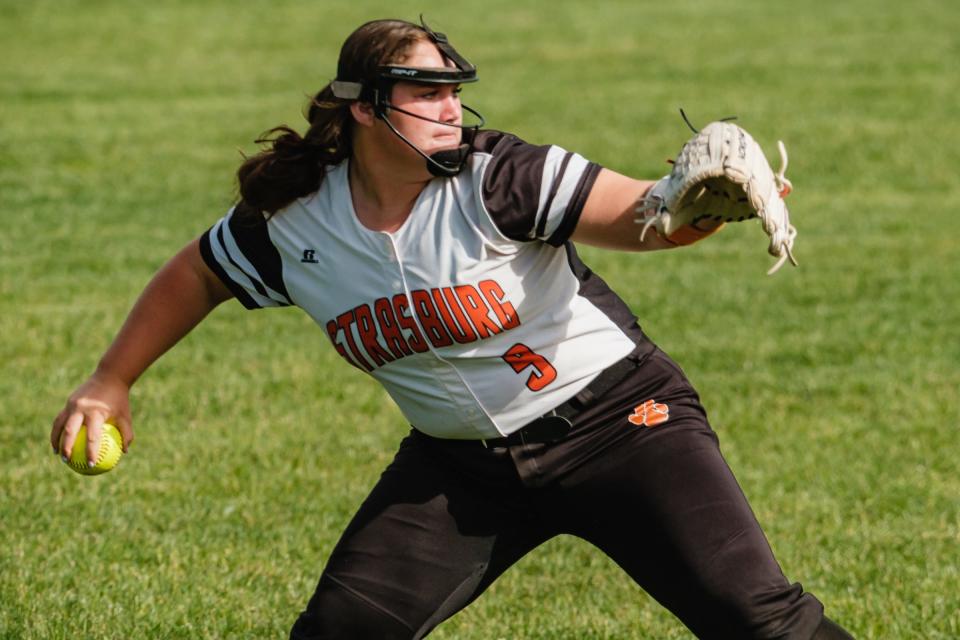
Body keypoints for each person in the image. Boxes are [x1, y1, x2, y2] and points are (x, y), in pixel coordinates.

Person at [51, 17, 855, 640]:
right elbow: (198, 272)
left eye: (453, 89)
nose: (450, 107)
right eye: (425, 91)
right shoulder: (299, 223)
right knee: (339, 634)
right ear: (364, 107)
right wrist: (111, 379)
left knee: (757, 619)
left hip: (622, 427)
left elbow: (648, 218)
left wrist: (699, 202)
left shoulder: (497, 176)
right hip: (463, 472)